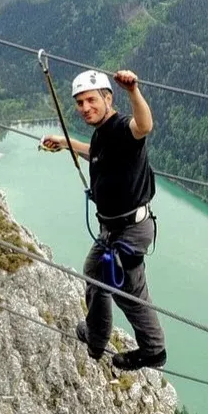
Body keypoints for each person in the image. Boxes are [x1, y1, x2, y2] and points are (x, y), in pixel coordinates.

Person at [41, 68, 166, 371]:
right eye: (80, 103)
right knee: (95, 275)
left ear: (108, 98)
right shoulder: (103, 133)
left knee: (129, 292)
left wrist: (133, 90)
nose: (85, 108)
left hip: (129, 231)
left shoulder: (123, 128)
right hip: (114, 229)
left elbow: (144, 125)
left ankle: (153, 350)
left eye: (91, 100)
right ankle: (96, 337)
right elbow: (97, 153)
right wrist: (65, 142)